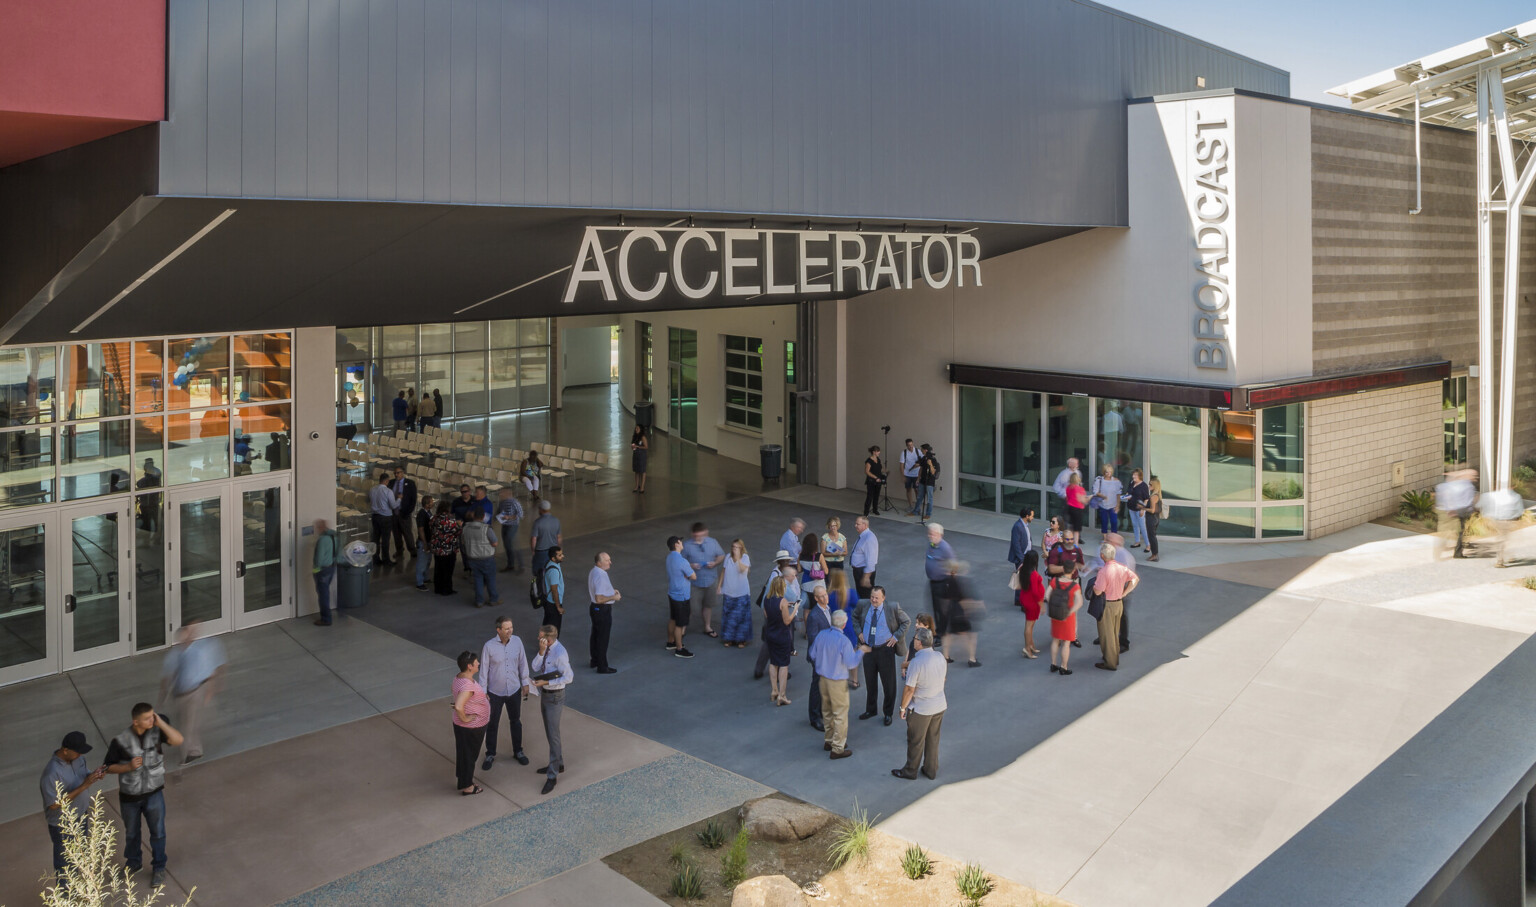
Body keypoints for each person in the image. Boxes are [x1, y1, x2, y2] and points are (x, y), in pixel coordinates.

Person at [104, 704, 184, 888]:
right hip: (129, 797)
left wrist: (160, 722)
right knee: (132, 833)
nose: (152, 720)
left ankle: (159, 867)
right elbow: (108, 767)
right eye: (148, 718)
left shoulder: (157, 732)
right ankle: (133, 864)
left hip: (154, 794)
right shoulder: (120, 741)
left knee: (158, 832)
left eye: (153, 716)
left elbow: (178, 740)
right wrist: (128, 767)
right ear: (135, 721)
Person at [40, 731, 108, 882]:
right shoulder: (51, 773)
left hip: (81, 815)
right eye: (77, 752)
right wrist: (85, 786)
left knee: (80, 856)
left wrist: (94, 775)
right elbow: (54, 805)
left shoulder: (79, 759)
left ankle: (80, 892)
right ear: (65, 750)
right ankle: (66, 899)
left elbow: (83, 776)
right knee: (65, 865)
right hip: (63, 824)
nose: (80, 755)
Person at [158, 619, 226, 764]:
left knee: (188, 726)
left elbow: (211, 671)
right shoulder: (174, 654)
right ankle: (194, 750)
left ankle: (185, 758)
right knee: (185, 723)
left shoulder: (199, 652)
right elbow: (168, 676)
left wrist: (210, 690)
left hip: (195, 692)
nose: (187, 638)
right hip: (179, 694)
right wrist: (163, 697)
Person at [810, 610, 870, 759]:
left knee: (827, 711)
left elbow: (812, 654)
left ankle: (829, 740)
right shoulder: (844, 641)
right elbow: (851, 663)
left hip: (822, 679)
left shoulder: (821, 635)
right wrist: (861, 651)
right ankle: (837, 748)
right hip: (837, 682)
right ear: (844, 624)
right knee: (840, 715)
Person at [891, 627, 946, 780]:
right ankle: (931, 769)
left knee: (915, 740)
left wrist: (903, 707)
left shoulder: (916, 662)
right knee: (933, 739)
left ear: (920, 643)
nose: (913, 641)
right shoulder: (940, 657)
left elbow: (909, 689)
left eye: (915, 639)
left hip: (921, 709)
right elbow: (943, 679)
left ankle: (910, 771)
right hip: (939, 705)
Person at [479, 616, 531, 769]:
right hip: (495, 692)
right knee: (492, 724)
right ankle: (490, 754)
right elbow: (483, 671)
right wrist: (483, 692)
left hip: (514, 689)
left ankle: (518, 751)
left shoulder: (517, 641)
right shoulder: (489, 646)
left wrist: (525, 682)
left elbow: (523, 662)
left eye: (511, 627)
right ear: (498, 630)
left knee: (516, 721)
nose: (510, 631)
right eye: (507, 628)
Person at [855, 585, 911, 726]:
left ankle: (888, 713)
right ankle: (871, 709)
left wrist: (896, 636)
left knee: (888, 684)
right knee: (870, 681)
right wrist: (859, 632)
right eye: (872, 597)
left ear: (883, 598)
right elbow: (854, 617)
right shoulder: (863, 604)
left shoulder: (892, 607)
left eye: (877, 598)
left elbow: (906, 621)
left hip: (885, 650)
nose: (873, 600)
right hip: (868, 648)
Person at [530, 624, 573, 795]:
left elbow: (569, 677)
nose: (538, 639)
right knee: (549, 731)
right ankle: (558, 763)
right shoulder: (546, 650)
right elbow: (534, 667)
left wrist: (546, 682)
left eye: (540, 637)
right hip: (545, 694)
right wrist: (540, 652)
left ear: (548, 639)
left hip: (555, 696)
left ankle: (552, 775)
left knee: (553, 735)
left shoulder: (560, 654)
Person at [1092, 542, 1138, 671]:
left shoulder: (1103, 571)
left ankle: (1110, 662)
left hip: (1107, 605)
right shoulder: (1121, 567)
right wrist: (1125, 592)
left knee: (1107, 634)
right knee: (1114, 630)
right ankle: (1113, 657)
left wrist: (1094, 585)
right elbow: (1135, 579)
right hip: (1119, 603)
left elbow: (1098, 591)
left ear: (1102, 556)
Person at [754, 556, 800, 679]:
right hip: (780, 616)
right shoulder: (782, 580)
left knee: (769, 644)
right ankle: (781, 671)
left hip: (771, 615)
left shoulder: (776, 575)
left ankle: (759, 669)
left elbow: (766, 599)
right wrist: (794, 609)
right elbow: (793, 597)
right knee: (782, 645)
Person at [451, 651, 490, 796]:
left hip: (462, 727)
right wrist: (466, 718)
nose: (478, 663)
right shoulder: (468, 685)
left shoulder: (459, 677)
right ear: (469, 666)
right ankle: (467, 786)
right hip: (471, 728)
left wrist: (482, 698)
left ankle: (464, 780)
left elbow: (461, 694)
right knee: (469, 756)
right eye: (476, 662)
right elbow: (459, 706)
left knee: (464, 754)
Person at [683, 522, 726, 638]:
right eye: (696, 535)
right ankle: (682, 628)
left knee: (708, 605)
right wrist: (691, 566)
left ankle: (707, 627)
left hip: (710, 579)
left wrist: (715, 563)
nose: (699, 537)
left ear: (706, 532)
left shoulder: (712, 542)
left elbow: (721, 555)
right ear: (692, 534)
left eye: (701, 535)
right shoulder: (686, 546)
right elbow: (680, 562)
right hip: (693, 582)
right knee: (689, 607)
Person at [762, 575, 798, 705]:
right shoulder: (782, 601)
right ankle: (782, 695)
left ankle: (774, 690)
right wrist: (794, 609)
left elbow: (767, 614)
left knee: (773, 662)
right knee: (783, 664)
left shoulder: (767, 599)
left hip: (770, 634)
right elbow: (787, 621)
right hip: (782, 635)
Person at [804, 586, 834, 731]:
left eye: (825, 594)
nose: (825, 598)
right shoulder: (814, 615)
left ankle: (822, 711)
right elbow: (813, 639)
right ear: (816, 598)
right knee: (817, 686)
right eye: (821, 596)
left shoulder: (828, 609)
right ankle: (814, 717)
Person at [941, 559, 981, 668]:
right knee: (971, 635)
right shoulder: (963, 581)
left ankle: (946, 656)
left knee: (948, 634)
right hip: (961, 611)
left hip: (950, 611)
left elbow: (945, 598)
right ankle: (972, 659)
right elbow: (966, 598)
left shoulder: (948, 580)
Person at [923, 523, 956, 652]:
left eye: (932, 534)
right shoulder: (932, 545)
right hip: (933, 582)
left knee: (942, 610)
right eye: (929, 533)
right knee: (936, 608)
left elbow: (954, 565)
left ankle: (942, 634)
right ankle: (939, 630)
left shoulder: (945, 548)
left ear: (940, 535)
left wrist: (950, 581)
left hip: (942, 583)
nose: (930, 536)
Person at [1047, 562, 1082, 676]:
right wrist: (1070, 611)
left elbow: (1047, 595)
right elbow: (1079, 602)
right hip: (1067, 617)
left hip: (1055, 614)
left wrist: (1054, 605)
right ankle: (1064, 667)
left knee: (1055, 640)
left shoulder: (1054, 581)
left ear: (1063, 569)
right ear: (1072, 571)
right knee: (1066, 643)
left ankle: (1053, 664)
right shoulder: (1075, 586)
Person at [588, 552, 620, 673]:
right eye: (607, 560)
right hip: (602, 610)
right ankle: (602, 666)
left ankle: (594, 660)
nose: (610, 562)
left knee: (595, 634)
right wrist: (613, 597)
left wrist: (611, 591)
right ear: (599, 563)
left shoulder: (594, 571)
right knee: (603, 638)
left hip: (594, 609)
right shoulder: (601, 576)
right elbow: (599, 599)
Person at [664, 535, 696, 657]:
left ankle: (670, 642)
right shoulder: (682, 561)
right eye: (680, 541)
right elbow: (694, 576)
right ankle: (679, 648)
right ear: (677, 544)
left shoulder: (669, 558)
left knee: (673, 618)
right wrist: (688, 573)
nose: (682, 543)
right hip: (682, 596)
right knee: (680, 623)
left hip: (672, 593)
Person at [460, 511, 500, 608]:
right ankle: (493, 600)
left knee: (478, 579)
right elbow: (495, 543)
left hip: (472, 559)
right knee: (490, 579)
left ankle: (479, 601)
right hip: (487, 559)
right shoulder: (486, 528)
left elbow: (463, 542)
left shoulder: (465, 528)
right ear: (483, 517)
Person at [1436, 468, 1478, 559]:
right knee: (1458, 532)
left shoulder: (1456, 485)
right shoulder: (1467, 486)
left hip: (1453, 510)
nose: (1475, 478)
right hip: (1459, 511)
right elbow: (1467, 501)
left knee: (1456, 532)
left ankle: (1453, 550)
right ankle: (1456, 552)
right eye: (1473, 476)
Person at [719, 539, 753, 648]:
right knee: (729, 615)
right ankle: (729, 638)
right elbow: (723, 571)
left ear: (741, 548)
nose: (735, 549)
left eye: (737, 547)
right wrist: (719, 585)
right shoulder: (728, 557)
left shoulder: (745, 558)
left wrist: (738, 559)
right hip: (729, 590)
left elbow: (743, 570)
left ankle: (741, 640)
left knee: (741, 616)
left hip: (741, 592)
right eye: (733, 547)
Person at [1017, 549, 1046, 659]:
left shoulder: (1023, 568)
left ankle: (1031, 645)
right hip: (1032, 602)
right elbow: (1035, 591)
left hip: (1025, 598)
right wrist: (1041, 605)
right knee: (1029, 626)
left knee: (1030, 625)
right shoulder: (1033, 574)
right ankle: (1027, 648)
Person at [311, 518, 340, 625]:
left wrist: (316, 569)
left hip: (322, 570)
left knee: (323, 594)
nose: (316, 529)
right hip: (331, 568)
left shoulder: (322, 540)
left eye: (317, 527)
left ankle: (326, 619)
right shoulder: (334, 537)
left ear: (321, 527)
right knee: (326, 592)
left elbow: (319, 559)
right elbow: (338, 553)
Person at [430, 502, 462, 595]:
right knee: (448, 570)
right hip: (448, 549)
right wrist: (459, 525)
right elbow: (457, 532)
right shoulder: (450, 520)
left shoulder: (434, 518)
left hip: (437, 548)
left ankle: (438, 588)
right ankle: (446, 589)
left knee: (438, 568)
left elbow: (431, 528)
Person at [529, 499, 561, 593]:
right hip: (553, 551)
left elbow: (534, 538)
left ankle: (542, 591)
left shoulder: (537, 522)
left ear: (541, 510)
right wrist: (558, 550)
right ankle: (553, 589)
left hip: (541, 551)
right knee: (552, 571)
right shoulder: (556, 520)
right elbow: (558, 537)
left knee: (539, 572)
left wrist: (533, 550)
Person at [368, 471, 398, 565]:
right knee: (385, 539)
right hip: (385, 517)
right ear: (387, 481)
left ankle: (376, 559)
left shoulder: (372, 489)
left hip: (375, 516)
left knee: (376, 538)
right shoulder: (388, 491)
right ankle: (386, 559)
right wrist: (399, 499)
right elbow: (393, 506)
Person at [495, 487, 524, 574]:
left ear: (508, 493)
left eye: (502, 493)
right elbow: (498, 512)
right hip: (504, 525)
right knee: (507, 545)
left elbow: (521, 515)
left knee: (512, 544)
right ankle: (510, 564)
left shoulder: (514, 502)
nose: (501, 495)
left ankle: (520, 565)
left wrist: (509, 517)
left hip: (512, 525)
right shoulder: (502, 502)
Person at [1091, 465, 1124, 536]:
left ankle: (1113, 537)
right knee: (1104, 521)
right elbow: (1095, 491)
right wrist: (1103, 496)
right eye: (1107, 472)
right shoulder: (1099, 480)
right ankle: (1105, 538)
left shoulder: (1116, 481)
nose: (1109, 474)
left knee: (1114, 522)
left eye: (1110, 472)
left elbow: (1118, 494)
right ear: (1104, 472)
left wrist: (1118, 505)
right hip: (1103, 505)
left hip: (1113, 505)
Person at [849, 516, 879, 593]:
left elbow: (871, 559)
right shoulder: (864, 536)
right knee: (860, 593)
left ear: (865, 525)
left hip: (863, 571)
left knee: (865, 595)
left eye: (857, 524)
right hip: (859, 570)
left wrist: (866, 577)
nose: (855, 526)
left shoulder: (869, 538)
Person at [540, 546, 567, 631]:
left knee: (548, 623)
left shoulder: (553, 563)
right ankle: (550, 643)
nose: (563, 556)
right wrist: (558, 606)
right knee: (554, 628)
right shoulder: (554, 571)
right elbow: (554, 590)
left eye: (561, 554)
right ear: (553, 558)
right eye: (559, 555)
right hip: (552, 603)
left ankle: (543, 639)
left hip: (549, 602)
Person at [798, 532, 828, 607]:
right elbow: (826, 571)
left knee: (807, 609)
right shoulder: (819, 556)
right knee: (820, 607)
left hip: (806, 585)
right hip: (819, 586)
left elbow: (799, 570)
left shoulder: (800, 556)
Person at [1124, 469, 1151, 550]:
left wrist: (1143, 509)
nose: (1133, 476)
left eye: (1135, 475)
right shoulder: (1131, 483)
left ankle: (1148, 545)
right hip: (1131, 507)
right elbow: (1128, 493)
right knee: (1135, 525)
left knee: (1142, 527)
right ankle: (1137, 542)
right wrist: (1126, 496)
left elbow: (1146, 499)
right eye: (1133, 475)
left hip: (1140, 509)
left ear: (1140, 476)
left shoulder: (1144, 485)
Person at [414, 494, 436, 591]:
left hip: (428, 540)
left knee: (427, 561)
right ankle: (419, 583)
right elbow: (421, 529)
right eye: (431, 501)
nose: (433, 503)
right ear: (427, 504)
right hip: (424, 542)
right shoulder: (421, 514)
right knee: (421, 563)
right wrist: (425, 543)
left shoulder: (428, 513)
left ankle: (425, 578)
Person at [916, 443, 940, 521]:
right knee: (920, 496)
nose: (921, 451)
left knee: (929, 498)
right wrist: (918, 478)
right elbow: (921, 468)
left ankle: (928, 514)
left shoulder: (933, 460)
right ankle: (915, 511)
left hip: (929, 482)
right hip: (922, 480)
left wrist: (930, 465)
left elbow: (933, 472)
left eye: (922, 449)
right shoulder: (923, 458)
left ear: (925, 450)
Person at [1008, 506, 1035, 571]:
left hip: (1027, 556)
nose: (1033, 518)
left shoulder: (1025, 525)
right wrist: (1022, 559)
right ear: (1027, 516)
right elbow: (1016, 544)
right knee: (1022, 578)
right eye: (1032, 516)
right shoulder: (1017, 526)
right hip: (1022, 558)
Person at [1064, 473, 1089, 544]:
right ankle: (1076, 545)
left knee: (1071, 527)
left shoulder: (1068, 487)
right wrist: (1088, 498)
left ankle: (1068, 542)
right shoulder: (1079, 488)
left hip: (1070, 508)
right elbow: (1082, 500)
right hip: (1077, 509)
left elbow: (1067, 498)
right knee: (1076, 530)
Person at [862, 445, 886, 517]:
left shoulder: (878, 459)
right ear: (874, 452)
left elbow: (880, 469)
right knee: (870, 496)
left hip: (878, 481)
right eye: (878, 451)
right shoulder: (869, 461)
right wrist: (875, 477)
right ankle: (866, 512)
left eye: (879, 451)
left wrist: (885, 471)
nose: (879, 452)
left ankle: (875, 509)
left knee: (876, 496)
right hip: (871, 481)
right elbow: (867, 471)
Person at [900, 438, 922, 515]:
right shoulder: (904, 453)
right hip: (907, 474)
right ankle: (910, 506)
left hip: (916, 474)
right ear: (906, 445)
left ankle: (918, 507)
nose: (911, 446)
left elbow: (923, 462)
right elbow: (901, 465)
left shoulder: (918, 451)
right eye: (909, 445)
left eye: (911, 445)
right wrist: (903, 476)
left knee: (917, 490)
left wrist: (918, 465)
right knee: (908, 490)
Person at [1145, 476, 1163, 562]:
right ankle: (1154, 554)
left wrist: (1143, 508)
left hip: (1151, 519)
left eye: (1150, 484)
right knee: (1152, 536)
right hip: (1155, 518)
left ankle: (1154, 555)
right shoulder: (1157, 496)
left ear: (1154, 486)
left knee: (1151, 537)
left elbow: (1152, 510)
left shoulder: (1153, 497)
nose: (1149, 485)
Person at [631, 424, 649, 493]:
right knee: (636, 471)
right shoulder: (634, 437)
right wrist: (633, 447)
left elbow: (646, 447)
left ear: (641, 429)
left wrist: (638, 446)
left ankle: (642, 487)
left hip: (642, 455)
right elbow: (632, 445)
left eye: (638, 428)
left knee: (642, 471)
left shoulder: (643, 437)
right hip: (636, 454)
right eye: (636, 428)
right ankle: (636, 486)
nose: (636, 430)